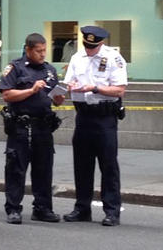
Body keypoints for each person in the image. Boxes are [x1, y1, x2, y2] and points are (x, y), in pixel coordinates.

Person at [62, 26, 127, 227]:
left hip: (104, 118)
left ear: (101, 44)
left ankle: (112, 211)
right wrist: (70, 87)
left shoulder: (114, 59)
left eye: (93, 47)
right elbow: (68, 83)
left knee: (108, 166)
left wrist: (95, 88)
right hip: (83, 116)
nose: (89, 50)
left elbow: (119, 90)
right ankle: (82, 208)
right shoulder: (77, 58)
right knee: (82, 165)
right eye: (86, 45)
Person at [0, 33, 65, 224]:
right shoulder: (15, 68)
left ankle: (43, 208)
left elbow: (55, 98)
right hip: (21, 126)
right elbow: (7, 95)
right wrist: (31, 90)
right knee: (16, 169)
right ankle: (13, 209)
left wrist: (59, 99)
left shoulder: (50, 70)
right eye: (38, 51)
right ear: (28, 50)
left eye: (45, 50)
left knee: (44, 170)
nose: (43, 54)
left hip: (43, 126)